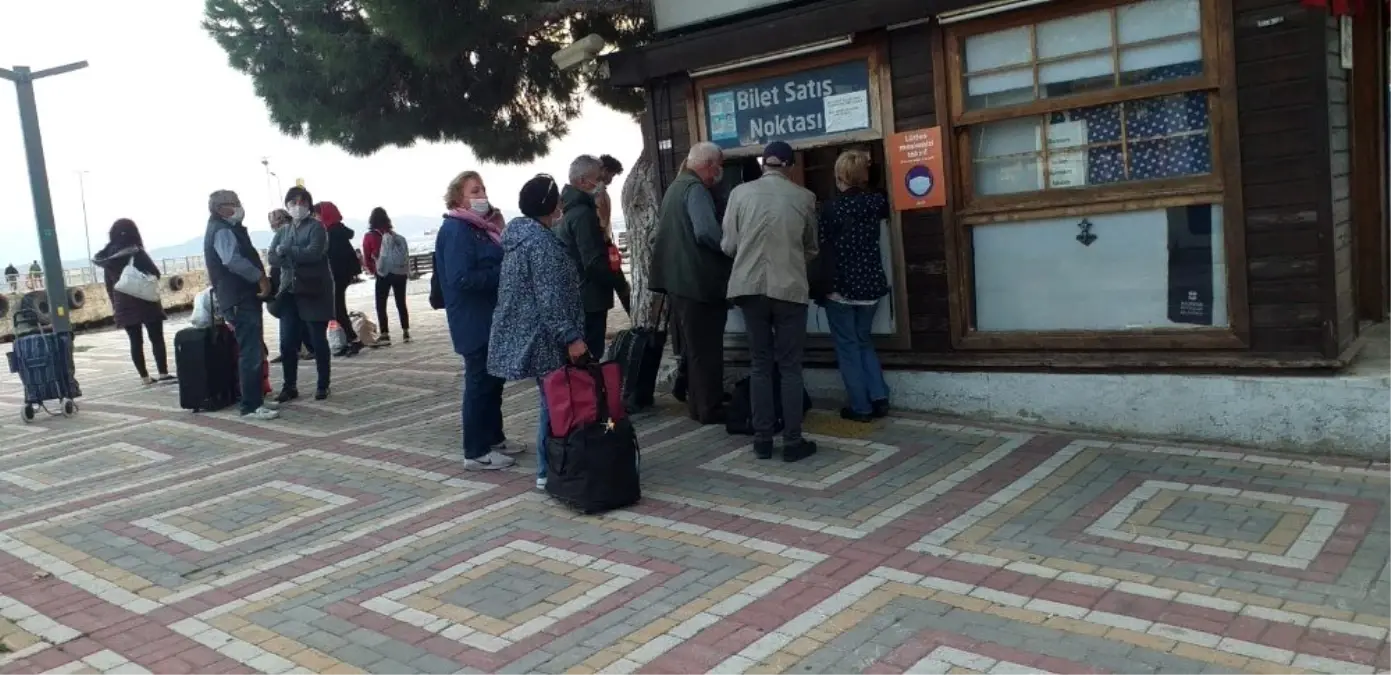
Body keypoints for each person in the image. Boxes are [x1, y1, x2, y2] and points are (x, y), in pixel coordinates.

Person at [488, 174, 588, 490]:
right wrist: (571, 337)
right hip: (545, 336)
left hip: (528, 331)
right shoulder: (541, 244)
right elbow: (550, 299)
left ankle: (551, 466)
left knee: (550, 398)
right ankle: (548, 469)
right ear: (550, 205)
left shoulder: (517, 239)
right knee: (553, 401)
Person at [722, 141, 819, 462]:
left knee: (760, 364)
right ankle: (792, 441)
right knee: (790, 367)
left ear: (764, 163)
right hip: (790, 288)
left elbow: (729, 245)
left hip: (749, 288)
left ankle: (762, 439)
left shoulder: (739, 194)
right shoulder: (805, 198)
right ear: (789, 166)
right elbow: (811, 247)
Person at [437, 171, 514, 470]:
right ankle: (476, 450)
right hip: (473, 320)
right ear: (459, 197)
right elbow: (460, 277)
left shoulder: (481, 228)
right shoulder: (457, 229)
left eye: (483, 189)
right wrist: (501, 274)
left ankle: (494, 437)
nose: (482, 196)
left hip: (491, 318)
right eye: (474, 191)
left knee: (494, 380)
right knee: (479, 383)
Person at [650, 142, 732, 425]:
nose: (718, 173)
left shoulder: (676, 187)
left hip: (679, 281)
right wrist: (730, 247)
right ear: (709, 165)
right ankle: (710, 408)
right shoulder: (695, 190)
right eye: (718, 166)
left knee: (695, 348)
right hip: (698, 282)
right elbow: (707, 232)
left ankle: (699, 405)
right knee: (707, 350)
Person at [820, 149, 891, 423]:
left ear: (839, 175)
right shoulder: (876, 202)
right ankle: (879, 396)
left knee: (848, 346)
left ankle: (861, 406)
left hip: (842, 288)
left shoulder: (831, 208)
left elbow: (821, 244)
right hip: (871, 286)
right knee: (864, 342)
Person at [203, 190, 279, 420]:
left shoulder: (225, 228)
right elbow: (232, 260)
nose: (239, 207)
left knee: (254, 347)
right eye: (234, 204)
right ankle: (251, 405)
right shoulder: (222, 229)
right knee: (250, 351)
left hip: (241, 296)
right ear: (220, 208)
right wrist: (259, 277)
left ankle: (256, 398)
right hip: (238, 297)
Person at [555, 155, 623, 360]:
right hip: (589, 297)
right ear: (583, 181)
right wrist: (617, 280)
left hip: (575, 294)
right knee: (590, 356)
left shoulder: (562, 209)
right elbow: (593, 262)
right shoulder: (582, 213)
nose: (601, 183)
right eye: (598, 178)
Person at [270, 186, 335, 402]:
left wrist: (288, 251)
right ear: (287, 205)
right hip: (289, 290)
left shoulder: (317, 227)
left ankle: (323, 384)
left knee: (317, 339)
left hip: (313, 290)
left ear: (308, 205)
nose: (298, 206)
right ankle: (289, 386)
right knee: (287, 341)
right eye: (293, 202)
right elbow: (272, 256)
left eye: (303, 202)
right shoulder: (283, 231)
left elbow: (314, 253)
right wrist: (291, 255)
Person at [92, 219, 171, 385]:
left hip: (123, 304)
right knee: (156, 338)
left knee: (135, 342)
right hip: (145, 300)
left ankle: (145, 377)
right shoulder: (136, 252)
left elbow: (109, 286)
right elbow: (155, 273)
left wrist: (115, 306)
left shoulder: (107, 258)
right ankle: (163, 373)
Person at [318, 201, 364, 356]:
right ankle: (350, 339)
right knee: (337, 308)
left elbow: (335, 257)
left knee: (337, 308)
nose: (315, 217)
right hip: (342, 274)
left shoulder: (332, 232)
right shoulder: (337, 229)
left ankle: (354, 339)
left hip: (338, 275)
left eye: (317, 214)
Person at [362, 207, 410, 343]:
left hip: (383, 273)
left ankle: (385, 334)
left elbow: (367, 257)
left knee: (381, 304)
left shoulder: (370, 236)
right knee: (401, 302)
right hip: (400, 273)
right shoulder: (393, 235)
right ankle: (406, 331)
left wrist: (374, 270)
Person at [595, 154, 631, 314]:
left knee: (621, 285)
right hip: (604, 244)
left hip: (605, 243)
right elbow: (602, 219)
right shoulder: (599, 191)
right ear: (604, 170)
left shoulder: (596, 190)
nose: (611, 178)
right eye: (611, 174)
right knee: (622, 286)